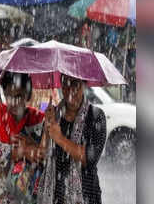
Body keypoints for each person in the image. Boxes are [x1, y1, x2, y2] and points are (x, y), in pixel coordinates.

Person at [37, 74, 107, 204]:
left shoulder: (96, 116)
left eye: (75, 84)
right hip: (55, 195)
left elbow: (90, 158)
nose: (70, 91)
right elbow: (41, 155)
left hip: (86, 195)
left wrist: (60, 139)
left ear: (84, 85)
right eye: (65, 85)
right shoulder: (54, 114)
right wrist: (47, 127)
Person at [0, 72, 47, 204]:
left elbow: (45, 154)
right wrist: (18, 152)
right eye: (9, 96)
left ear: (27, 95)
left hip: (25, 195)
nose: (14, 102)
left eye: (19, 96)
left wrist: (32, 147)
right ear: (3, 94)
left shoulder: (37, 120)